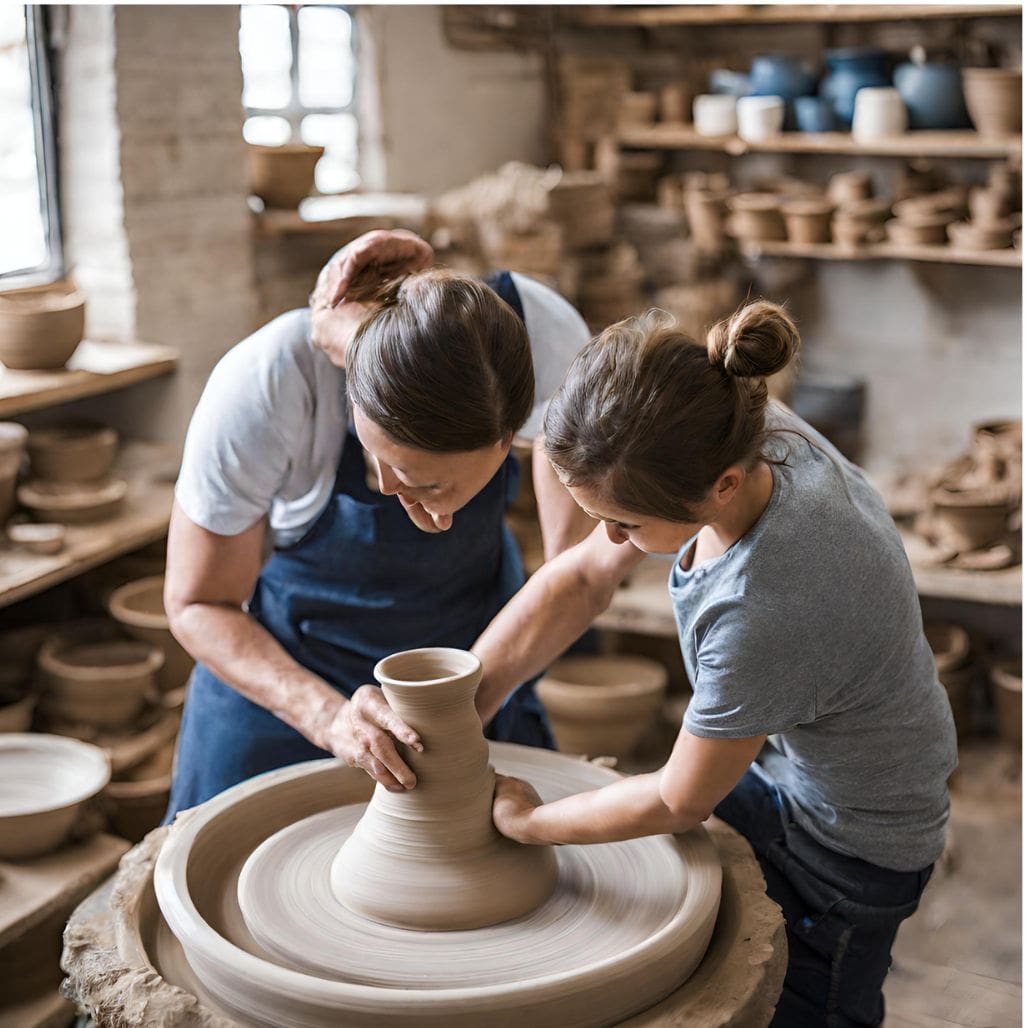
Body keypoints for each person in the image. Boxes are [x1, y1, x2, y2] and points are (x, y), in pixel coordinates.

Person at [475, 301, 957, 1027]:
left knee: (806, 1010)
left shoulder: (769, 601)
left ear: (722, 486)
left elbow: (677, 799)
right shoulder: (730, 415)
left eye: (624, 524)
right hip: (804, 765)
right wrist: (463, 703)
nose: (608, 538)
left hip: (853, 849)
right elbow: (580, 577)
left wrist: (530, 823)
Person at [163, 229, 592, 819]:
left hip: (469, 656)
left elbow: (580, 573)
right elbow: (197, 603)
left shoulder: (545, 347)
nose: (391, 491)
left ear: (509, 436)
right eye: (378, 456)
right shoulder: (269, 381)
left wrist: (457, 711)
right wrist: (326, 716)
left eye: (429, 482)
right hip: (292, 670)